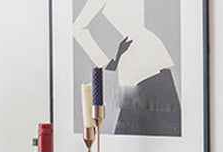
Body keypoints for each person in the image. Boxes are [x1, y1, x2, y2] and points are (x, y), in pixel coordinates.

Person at [73, 0, 181, 137]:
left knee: (168, 127)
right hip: (134, 67)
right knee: (134, 134)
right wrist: (108, 62)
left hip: (156, 58)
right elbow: (77, 28)